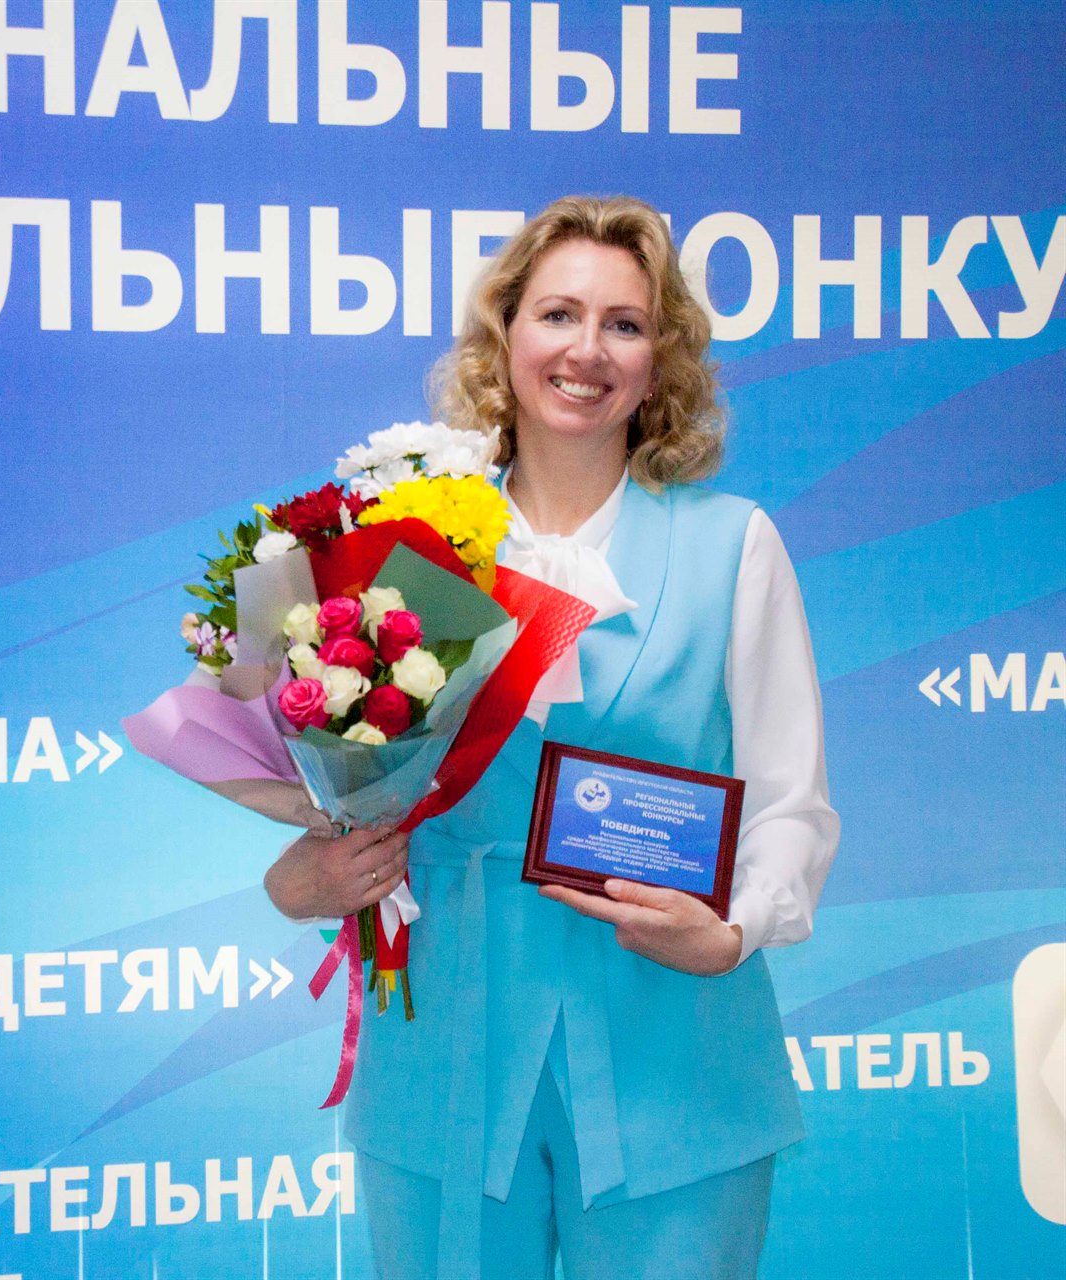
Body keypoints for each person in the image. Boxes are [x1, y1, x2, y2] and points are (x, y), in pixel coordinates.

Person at [263, 195, 838, 1279]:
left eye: (624, 324)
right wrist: (306, 874)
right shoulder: (403, 547)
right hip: (442, 1052)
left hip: (677, 1051)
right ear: (506, 336)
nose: (587, 350)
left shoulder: (736, 546)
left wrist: (735, 929)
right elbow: (349, 783)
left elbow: (791, 803)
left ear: (660, 363)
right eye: (558, 314)